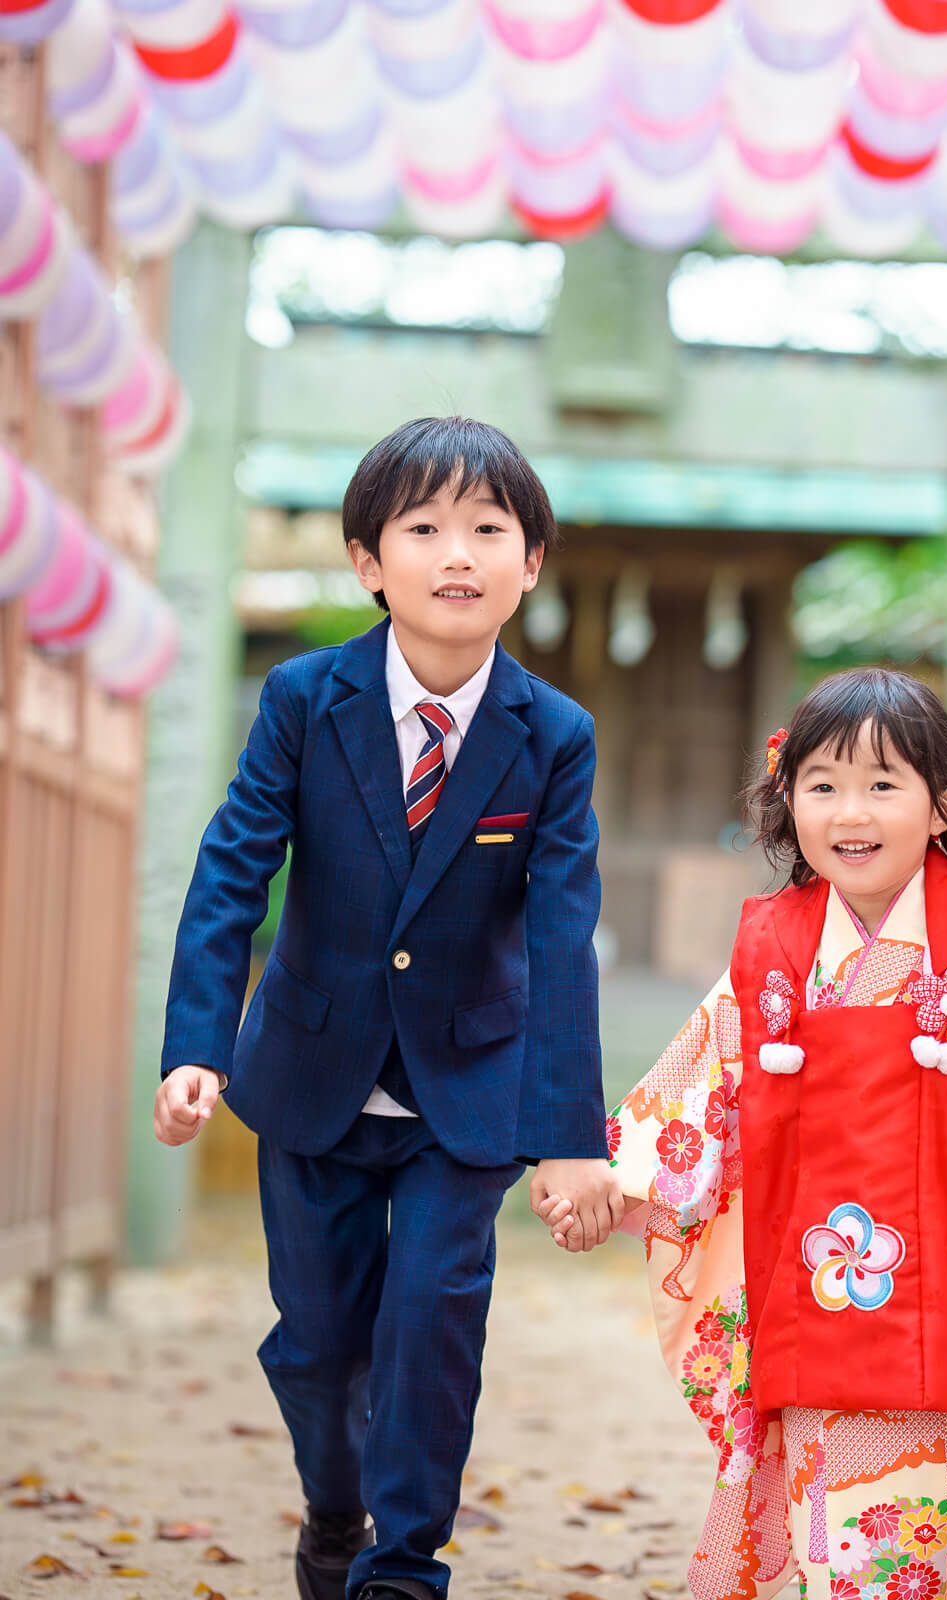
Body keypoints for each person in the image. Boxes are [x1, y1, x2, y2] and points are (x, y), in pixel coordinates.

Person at [538, 668, 947, 1600]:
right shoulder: (771, 948)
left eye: (884, 784)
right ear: (788, 801)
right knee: (850, 1557)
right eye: (823, 784)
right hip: (821, 1307)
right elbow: (700, 1093)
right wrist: (610, 1180)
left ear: (943, 806)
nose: (853, 809)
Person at [155, 416, 623, 1600]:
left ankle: (405, 1562)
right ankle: (333, 1503)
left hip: (464, 1090)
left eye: (487, 528)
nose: (455, 552)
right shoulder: (304, 700)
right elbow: (232, 868)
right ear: (369, 561)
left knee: (430, 1328)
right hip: (309, 1075)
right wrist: (198, 1043)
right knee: (315, 1345)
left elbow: (564, 938)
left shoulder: (553, 737)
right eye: (421, 527)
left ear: (529, 564)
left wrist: (572, 1135)